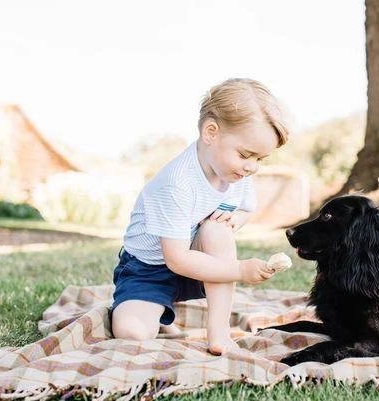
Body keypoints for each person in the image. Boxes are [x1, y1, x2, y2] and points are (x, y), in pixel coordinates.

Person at [111, 78, 291, 355]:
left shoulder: (235, 172)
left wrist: (235, 220)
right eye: (246, 154)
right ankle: (152, 309)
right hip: (149, 269)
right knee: (132, 334)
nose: (252, 167)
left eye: (260, 159)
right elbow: (176, 259)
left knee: (217, 231)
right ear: (210, 132)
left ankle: (218, 333)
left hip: (200, 260)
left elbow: (245, 210)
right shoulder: (177, 183)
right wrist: (241, 270)